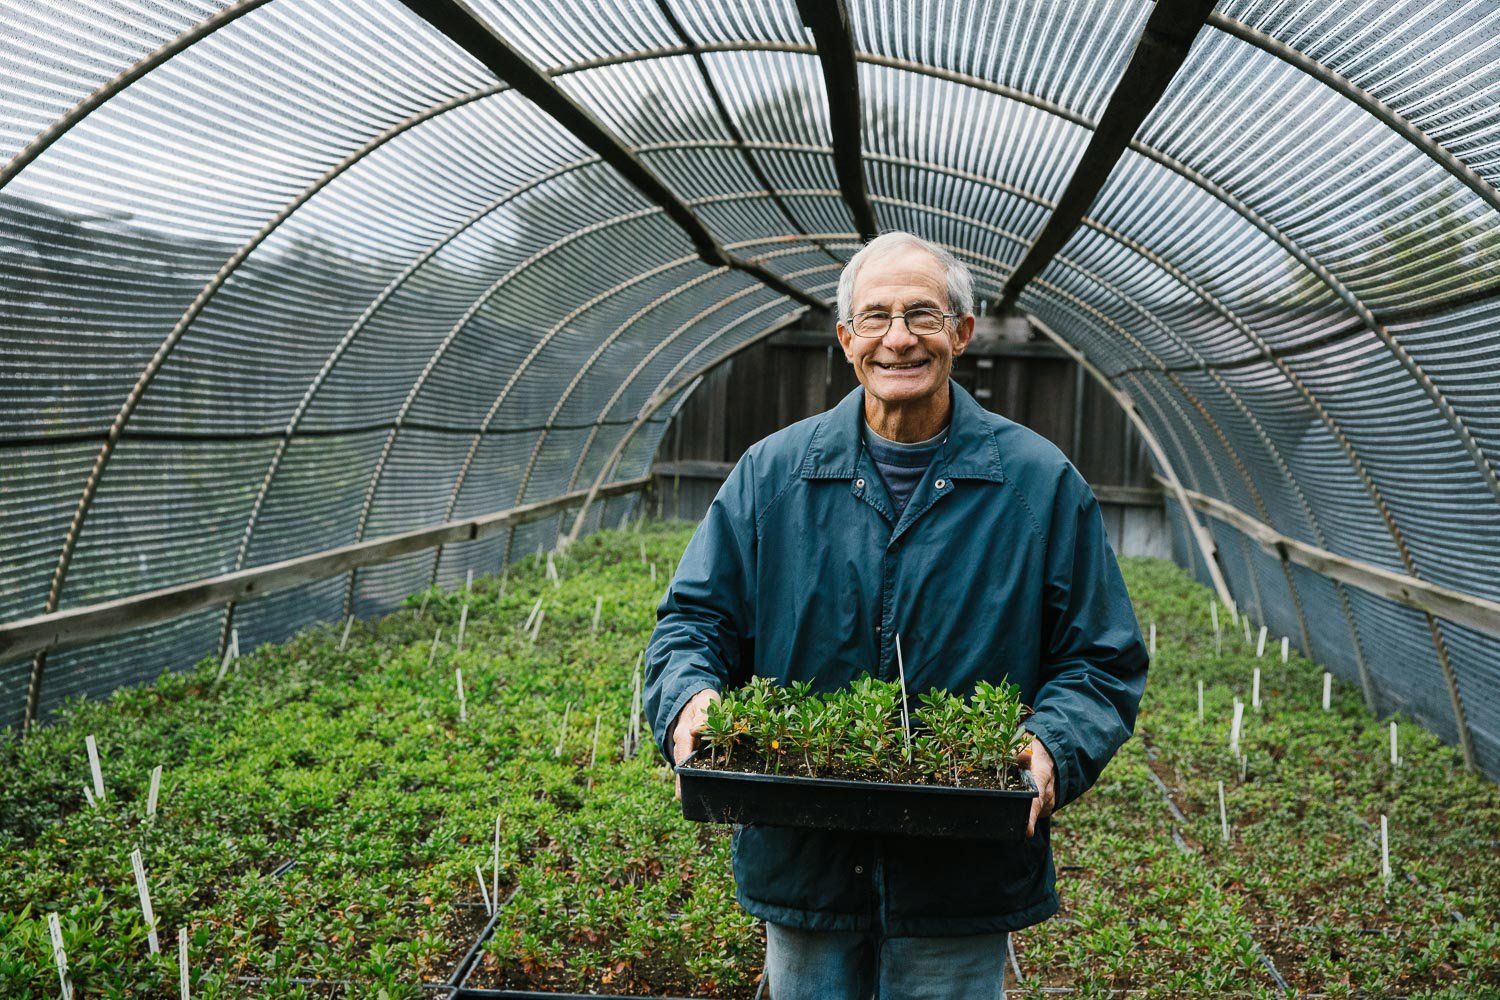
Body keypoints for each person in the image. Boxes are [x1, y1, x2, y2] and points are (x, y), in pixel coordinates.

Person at [644, 231, 1148, 999]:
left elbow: (1101, 658)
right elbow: (692, 623)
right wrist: (690, 700)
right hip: (805, 858)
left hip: (962, 874)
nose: (899, 338)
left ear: (962, 333)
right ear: (847, 341)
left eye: (922, 314)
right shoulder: (773, 475)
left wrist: (1053, 743)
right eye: (875, 317)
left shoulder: (1039, 486)